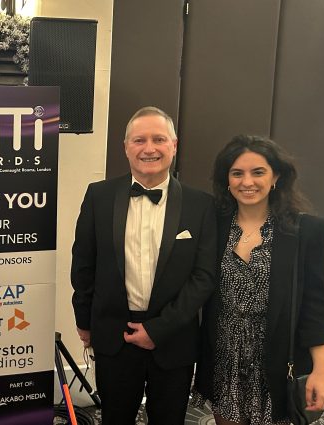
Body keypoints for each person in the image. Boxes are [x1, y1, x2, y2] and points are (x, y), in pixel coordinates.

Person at [71, 106, 217, 424]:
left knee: (169, 419)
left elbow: (203, 278)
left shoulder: (201, 205)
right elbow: (83, 263)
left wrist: (158, 329)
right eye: (139, 140)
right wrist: (84, 321)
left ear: (174, 145)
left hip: (173, 335)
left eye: (158, 139)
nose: (149, 148)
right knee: (115, 417)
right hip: (114, 335)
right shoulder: (99, 196)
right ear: (126, 147)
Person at [193, 135, 324, 424]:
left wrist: (320, 371)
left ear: (276, 177)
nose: (247, 182)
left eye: (258, 172)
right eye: (237, 173)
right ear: (226, 180)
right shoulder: (213, 225)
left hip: (277, 360)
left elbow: (315, 307)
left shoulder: (305, 231)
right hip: (223, 358)